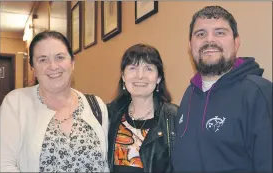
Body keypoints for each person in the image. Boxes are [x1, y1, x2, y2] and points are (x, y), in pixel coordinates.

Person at [172, 5, 272, 173]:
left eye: (220, 32)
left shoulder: (260, 93)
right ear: (190, 45)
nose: (209, 40)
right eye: (201, 34)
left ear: (236, 42)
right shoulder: (189, 94)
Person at [0, 31, 109, 172]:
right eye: (43, 60)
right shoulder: (16, 103)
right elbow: (4, 164)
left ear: (72, 62)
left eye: (60, 57)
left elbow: (105, 164)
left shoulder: (96, 105)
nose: (53, 66)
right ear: (33, 68)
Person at [107, 44, 178, 173]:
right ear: (123, 76)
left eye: (148, 69)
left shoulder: (174, 117)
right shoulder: (109, 115)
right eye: (133, 68)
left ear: (159, 78)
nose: (140, 76)